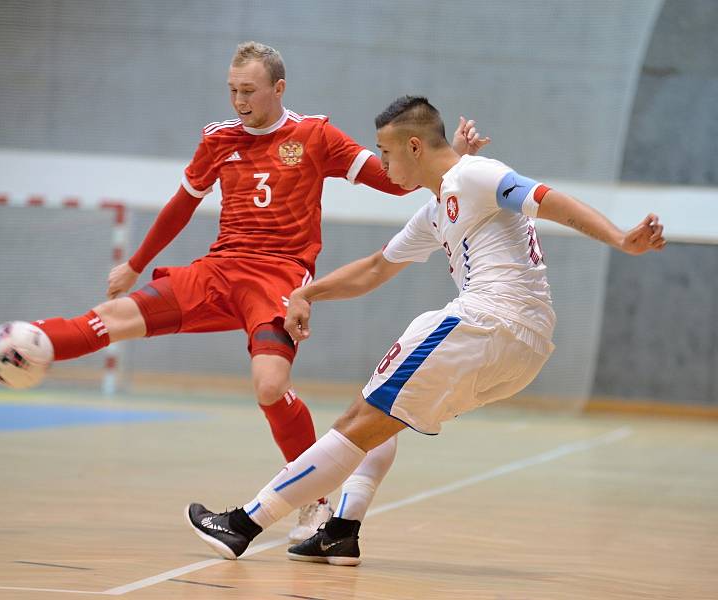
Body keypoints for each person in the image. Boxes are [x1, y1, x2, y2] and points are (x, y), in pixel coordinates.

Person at [0, 44, 488, 542]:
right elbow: (181, 205)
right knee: (111, 317)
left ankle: (313, 502)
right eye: (233, 90)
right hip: (217, 270)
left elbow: (396, 178)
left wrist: (454, 159)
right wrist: (135, 264)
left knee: (270, 388)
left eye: (249, 90)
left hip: (277, 277)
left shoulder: (316, 136)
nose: (240, 100)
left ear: (279, 88)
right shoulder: (218, 140)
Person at [185, 95, 666, 566]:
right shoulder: (438, 207)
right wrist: (307, 295)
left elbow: (545, 199)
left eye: (386, 151)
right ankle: (341, 532)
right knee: (382, 412)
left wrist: (620, 238)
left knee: (361, 417)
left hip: (488, 321)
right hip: (525, 350)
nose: (381, 162)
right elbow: (375, 268)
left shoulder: (473, 174)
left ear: (414, 147)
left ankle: (243, 524)